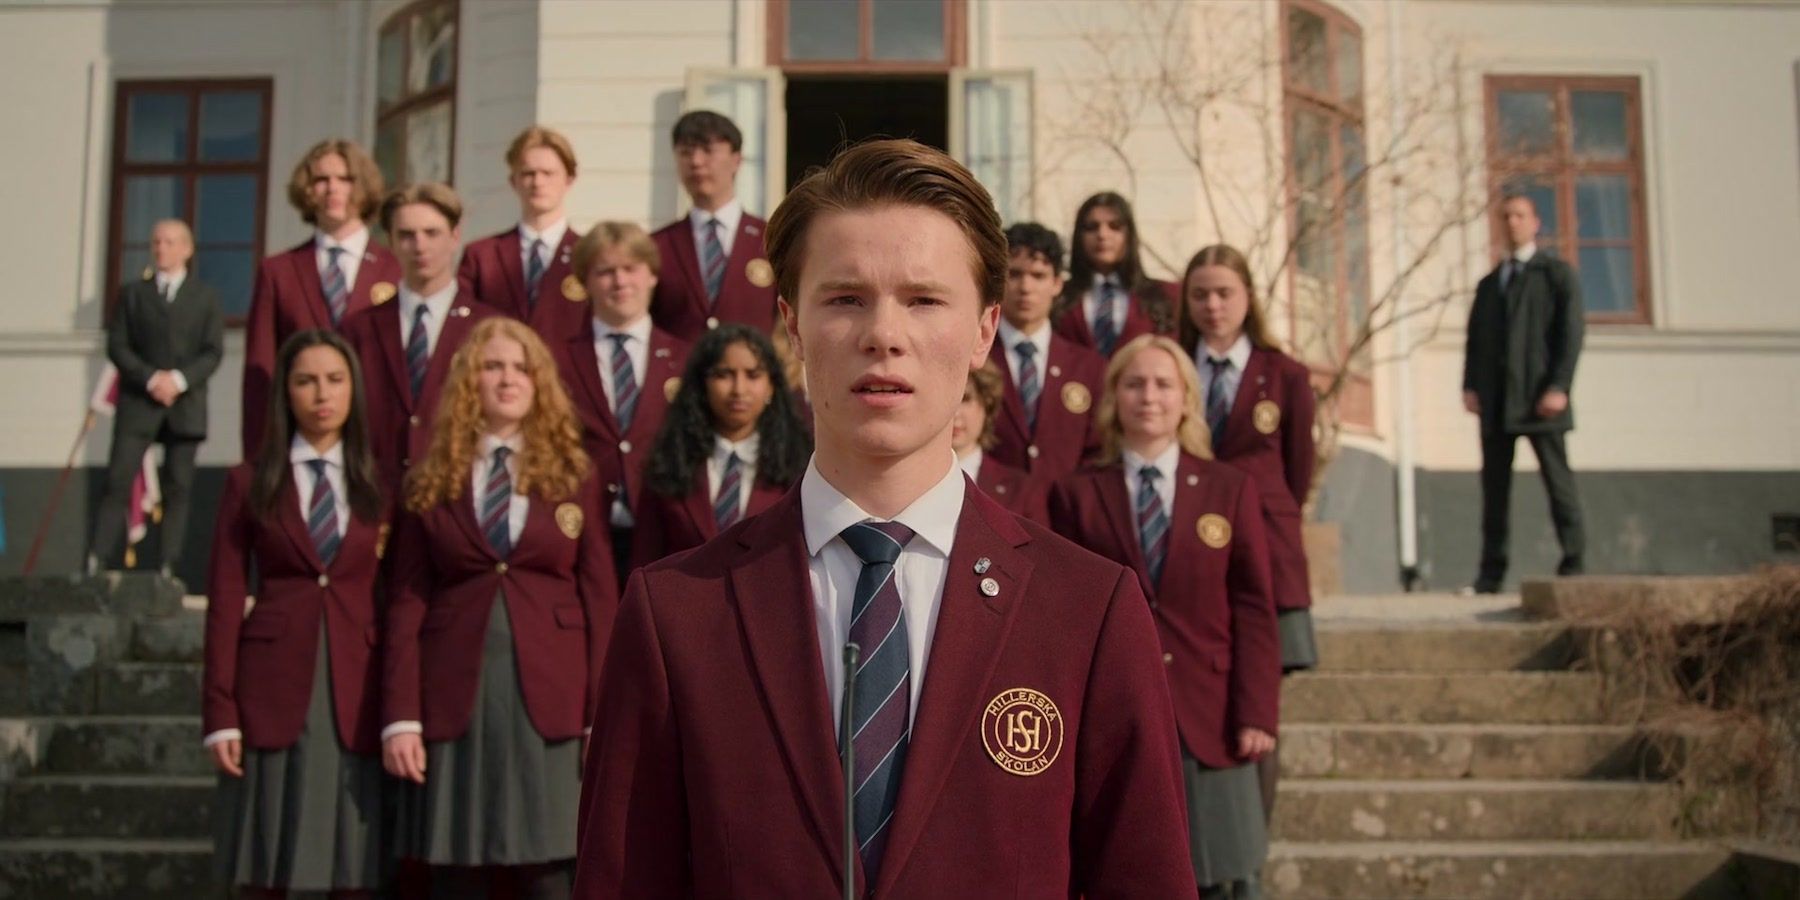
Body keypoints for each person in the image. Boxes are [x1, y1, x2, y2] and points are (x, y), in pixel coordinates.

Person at [575, 139, 1193, 898]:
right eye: (845, 299)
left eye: (924, 300)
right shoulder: (677, 614)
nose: (884, 335)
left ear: (984, 330)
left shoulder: (1087, 612)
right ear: (792, 327)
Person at [382, 318, 618, 900]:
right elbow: (407, 601)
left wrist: (601, 712)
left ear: (539, 383)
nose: (508, 379)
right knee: (457, 870)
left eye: (521, 368)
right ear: (469, 382)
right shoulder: (431, 479)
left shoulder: (576, 475)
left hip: (553, 696)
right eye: (493, 367)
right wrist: (401, 715)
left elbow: (600, 597)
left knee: (549, 870)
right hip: (454, 692)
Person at [1046, 334, 1281, 900]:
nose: (1148, 396)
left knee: (1223, 873)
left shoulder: (1229, 489)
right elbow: (1065, 614)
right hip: (1116, 706)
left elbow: (1253, 607)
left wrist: (1256, 711)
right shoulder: (1076, 494)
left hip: (1209, 710)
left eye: (1163, 384)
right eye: (1134, 384)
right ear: (1113, 398)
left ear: (1186, 399)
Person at [203, 329, 388, 899]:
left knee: (352, 865)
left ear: (354, 389)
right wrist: (220, 712)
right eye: (306, 381)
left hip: (357, 686)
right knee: (269, 863)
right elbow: (225, 599)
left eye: (335, 380)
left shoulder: (381, 483)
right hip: (272, 685)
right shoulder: (248, 481)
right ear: (285, 392)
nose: (322, 394)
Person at [1176, 243, 1319, 815]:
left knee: (1258, 701)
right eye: (1200, 295)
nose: (1213, 306)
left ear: (1248, 298)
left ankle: (1255, 830)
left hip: (1267, 554)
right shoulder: (1170, 368)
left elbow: (1298, 472)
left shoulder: (1284, 374)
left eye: (1224, 293)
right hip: (1188, 556)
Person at [551, 222, 691, 584]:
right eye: (605, 271)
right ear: (585, 282)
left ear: (652, 275)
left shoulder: (686, 359)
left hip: (663, 532)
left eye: (630, 268)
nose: (620, 281)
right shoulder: (555, 361)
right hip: (582, 531)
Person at [243, 138, 400, 457]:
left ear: (364, 185)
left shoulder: (397, 268)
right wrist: (258, 455)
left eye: (345, 178)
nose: (333, 189)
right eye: (321, 179)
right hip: (300, 442)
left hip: (380, 443)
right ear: (307, 189)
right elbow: (261, 369)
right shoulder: (279, 271)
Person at [1463, 193, 1587, 593]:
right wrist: (1470, 386)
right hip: (1497, 402)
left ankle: (1574, 564)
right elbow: (1475, 341)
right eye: (1506, 216)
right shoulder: (1489, 285)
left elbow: (1571, 334)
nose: (1511, 222)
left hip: (1540, 400)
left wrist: (1559, 386)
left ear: (1536, 223)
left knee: (1558, 483)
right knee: (1494, 492)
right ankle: (1490, 574)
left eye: (1519, 215)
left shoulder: (1555, 275)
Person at [342, 182, 497, 497]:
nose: (420, 246)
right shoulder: (359, 330)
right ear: (390, 242)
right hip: (378, 496)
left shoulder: (489, 329)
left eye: (432, 233)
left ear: (455, 237)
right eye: (406, 235)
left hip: (460, 495)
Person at [90, 218, 223, 576]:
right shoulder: (133, 294)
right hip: (139, 404)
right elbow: (118, 345)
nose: (161, 248)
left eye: (169, 242)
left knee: (178, 487)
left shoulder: (205, 297)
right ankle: (97, 560)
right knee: (118, 480)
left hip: (185, 407)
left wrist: (178, 381)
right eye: (156, 242)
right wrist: (150, 379)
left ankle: (168, 566)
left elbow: (212, 351)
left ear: (187, 249)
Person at [629, 323, 811, 572]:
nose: (738, 390)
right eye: (724, 374)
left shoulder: (798, 468)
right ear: (702, 384)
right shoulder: (669, 463)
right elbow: (645, 561)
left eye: (753, 375)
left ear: (771, 385)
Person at [987, 222, 1106, 486]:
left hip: (1065, 509)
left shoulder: (1089, 368)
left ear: (1057, 283)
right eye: (1014, 274)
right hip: (990, 502)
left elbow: (1098, 453)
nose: (1025, 287)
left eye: (1038, 275)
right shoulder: (976, 359)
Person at [647, 110, 779, 341]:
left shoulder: (773, 239)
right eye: (686, 152)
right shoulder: (656, 245)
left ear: (736, 159)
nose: (696, 162)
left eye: (708, 151)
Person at [456, 126, 588, 344]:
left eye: (548, 173)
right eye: (528, 173)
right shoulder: (481, 256)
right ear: (513, 181)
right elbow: (461, 327)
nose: (538, 183)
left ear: (569, 180)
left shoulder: (589, 255)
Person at [1053, 192, 1178, 357]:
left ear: (1129, 235)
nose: (1102, 235)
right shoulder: (1057, 296)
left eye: (1114, 226)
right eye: (1092, 227)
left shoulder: (1165, 296)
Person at [953, 363, 1043, 522]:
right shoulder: (909, 481)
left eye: (966, 399)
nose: (955, 413)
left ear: (987, 404)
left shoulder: (1022, 490)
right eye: (948, 400)